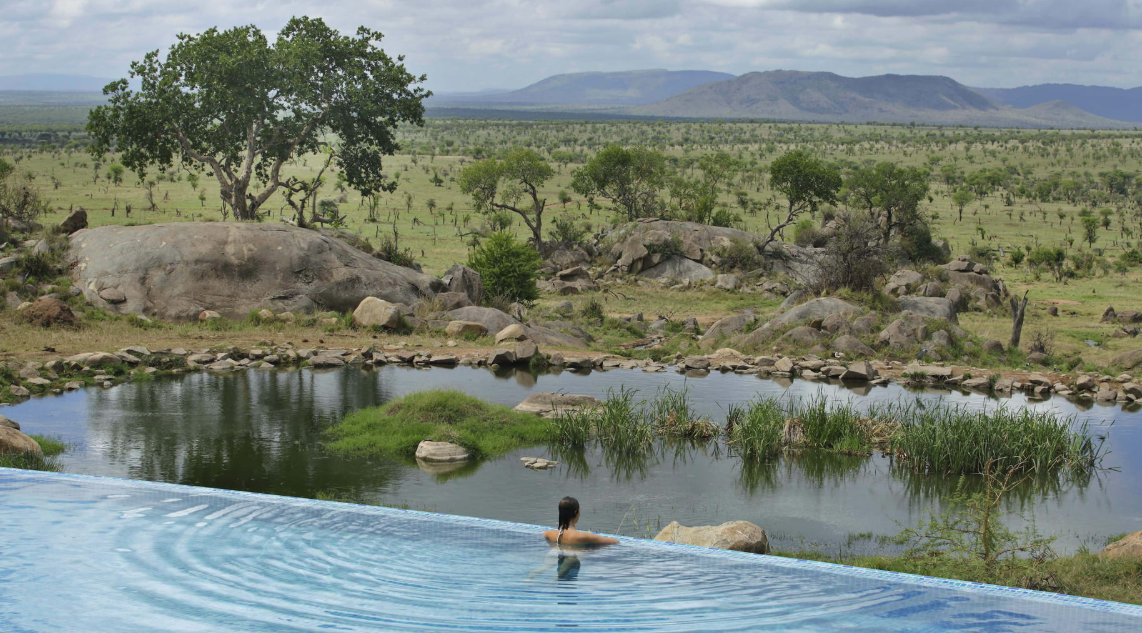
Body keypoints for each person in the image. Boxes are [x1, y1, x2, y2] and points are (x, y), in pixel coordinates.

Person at [542, 496, 619, 547]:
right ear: (576, 512)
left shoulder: (549, 534)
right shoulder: (582, 537)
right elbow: (615, 541)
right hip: (572, 563)